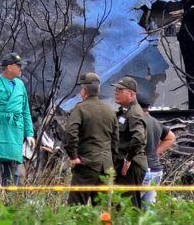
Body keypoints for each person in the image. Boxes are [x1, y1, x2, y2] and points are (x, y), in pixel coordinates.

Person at [0, 52, 36, 186]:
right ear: (9, 67)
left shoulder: (20, 85)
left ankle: (9, 205)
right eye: (19, 66)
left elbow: (25, 110)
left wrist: (29, 133)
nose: (21, 69)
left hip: (14, 132)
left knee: (12, 175)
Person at [64, 72, 119, 206]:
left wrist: (73, 156)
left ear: (84, 91)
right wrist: (111, 163)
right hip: (106, 167)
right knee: (102, 210)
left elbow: (70, 133)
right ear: (98, 89)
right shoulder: (110, 111)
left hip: (85, 165)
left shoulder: (80, 109)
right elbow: (115, 140)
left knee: (75, 208)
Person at [112, 76, 147, 208]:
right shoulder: (124, 111)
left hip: (131, 166)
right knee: (120, 205)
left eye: (120, 90)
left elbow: (139, 138)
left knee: (128, 207)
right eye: (116, 90)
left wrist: (128, 159)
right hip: (124, 164)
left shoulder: (134, 113)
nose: (116, 92)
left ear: (131, 94)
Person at [139, 100, 176, 206]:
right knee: (149, 210)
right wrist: (155, 153)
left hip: (143, 170)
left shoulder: (137, 121)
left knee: (131, 206)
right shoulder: (155, 122)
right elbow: (171, 137)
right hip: (156, 171)